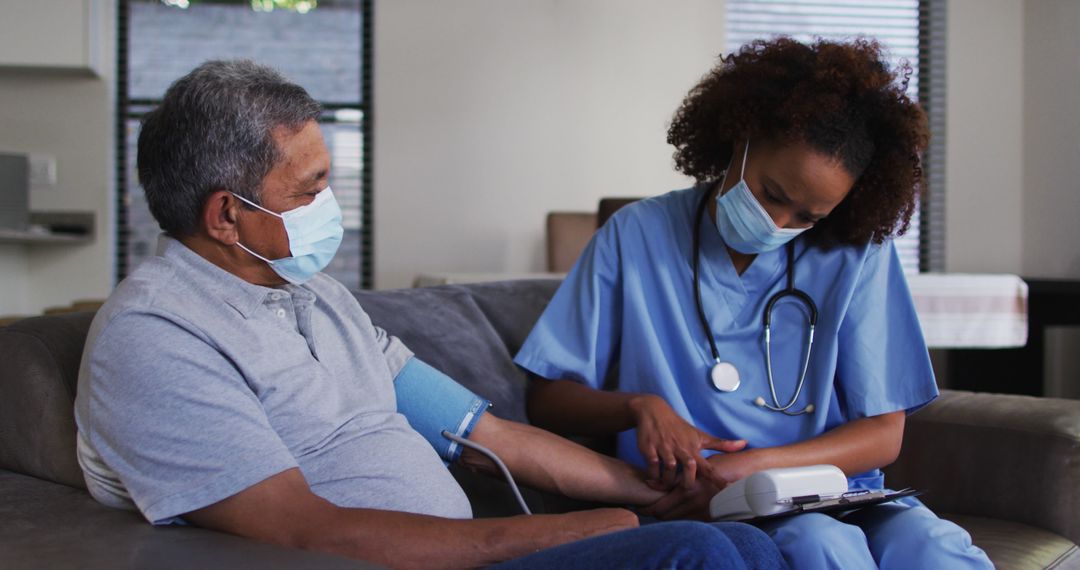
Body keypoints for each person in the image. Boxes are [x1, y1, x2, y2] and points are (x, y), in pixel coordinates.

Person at [73, 59, 786, 570]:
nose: (330, 204)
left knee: (749, 541)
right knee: (702, 556)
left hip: (472, 551)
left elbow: (490, 434)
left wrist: (657, 492)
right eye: (310, 187)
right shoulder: (156, 338)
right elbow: (296, 529)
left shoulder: (317, 298)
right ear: (227, 215)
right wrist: (561, 535)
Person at [515, 38, 993, 569]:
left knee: (938, 549)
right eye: (771, 194)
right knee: (821, 546)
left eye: (808, 217)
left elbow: (884, 433)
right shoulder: (636, 236)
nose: (779, 225)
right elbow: (549, 395)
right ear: (741, 136)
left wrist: (753, 469)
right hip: (713, 505)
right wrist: (639, 405)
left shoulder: (858, 252)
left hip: (832, 489)